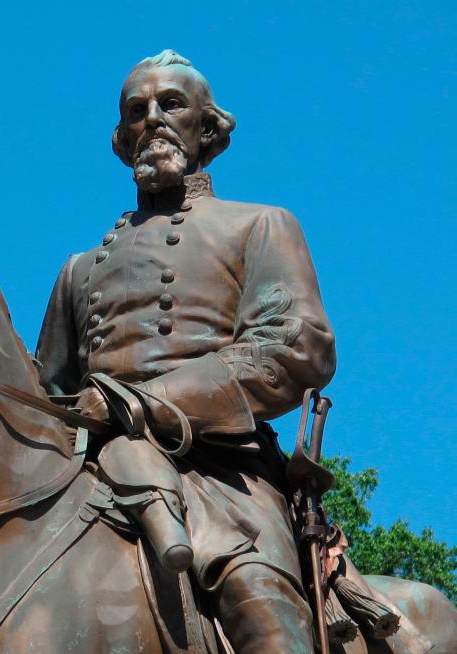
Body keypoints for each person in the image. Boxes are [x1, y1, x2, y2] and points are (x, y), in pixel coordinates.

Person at [35, 49, 336, 653]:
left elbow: (291, 349)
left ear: (206, 127)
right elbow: (47, 394)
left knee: (265, 616)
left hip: (223, 477)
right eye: (136, 110)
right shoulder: (78, 270)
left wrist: (137, 404)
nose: (152, 118)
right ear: (121, 138)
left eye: (171, 104)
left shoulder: (260, 225)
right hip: (92, 470)